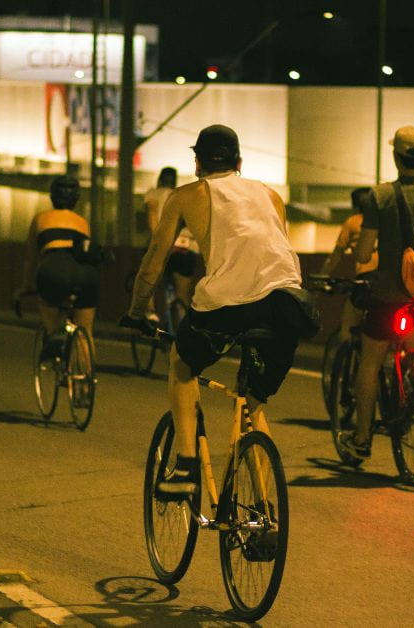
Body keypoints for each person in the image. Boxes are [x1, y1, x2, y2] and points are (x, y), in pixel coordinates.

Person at [122, 124, 315, 498]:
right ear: (239, 161)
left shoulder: (185, 195)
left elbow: (152, 263)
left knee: (181, 362)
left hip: (228, 304)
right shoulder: (271, 196)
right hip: (286, 305)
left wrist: (137, 310)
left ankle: (186, 466)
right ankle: (264, 513)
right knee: (252, 404)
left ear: (197, 163)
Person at [341, 125, 414, 460]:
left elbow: (363, 253)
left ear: (395, 156)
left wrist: (366, 254)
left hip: (387, 294)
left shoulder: (380, 196)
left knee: (370, 360)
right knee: (411, 327)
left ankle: (362, 439)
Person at [16, 175, 101, 359]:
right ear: (76, 198)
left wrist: (26, 286)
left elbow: (30, 258)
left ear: (52, 196)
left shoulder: (40, 218)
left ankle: (54, 334)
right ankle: (86, 383)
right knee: (85, 333)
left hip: (53, 268)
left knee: (47, 302)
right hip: (86, 274)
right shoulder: (82, 222)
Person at [319, 186, 378, 342]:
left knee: (348, 322)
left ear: (356, 207)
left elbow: (335, 256)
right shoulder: (387, 220)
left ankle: (348, 351)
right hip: (392, 277)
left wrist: (322, 277)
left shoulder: (353, 222)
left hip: (367, 280)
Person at [144, 166, 202, 312]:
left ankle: (149, 313)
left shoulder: (153, 193)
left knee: (146, 283)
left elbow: (152, 219)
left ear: (160, 178)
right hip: (187, 248)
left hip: (163, 247)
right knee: (182, 297)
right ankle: (180, 323)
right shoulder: (184, 196)